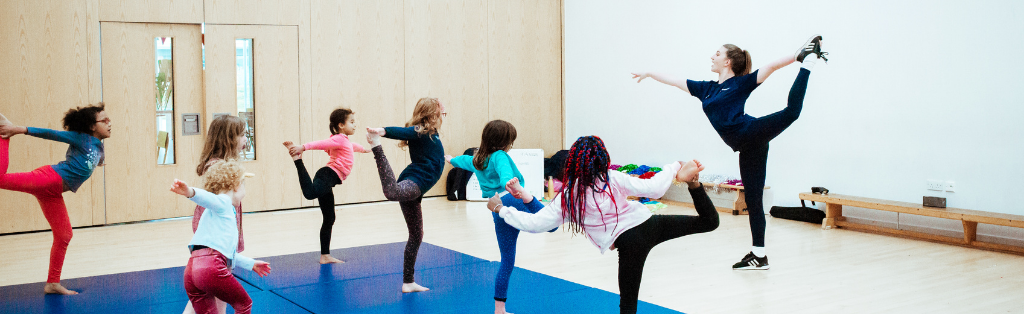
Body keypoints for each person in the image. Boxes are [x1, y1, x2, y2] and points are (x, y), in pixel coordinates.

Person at [631, 35, 827, 269]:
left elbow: (771, 67)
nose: (712, 56)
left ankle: (809, 61)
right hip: (747, 145)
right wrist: (650, 73)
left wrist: (798, 56)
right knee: (753, 200)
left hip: (751, 131)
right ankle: (759, 255)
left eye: (717, 53)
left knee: (791, 112)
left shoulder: (740, 83)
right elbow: (675, 81)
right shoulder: (706, 89)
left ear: (727, 62)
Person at [488, 136, 719, 314]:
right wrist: (673, 169)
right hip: (649, 224)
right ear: (602, 158)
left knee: (627, 306)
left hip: (630, 243)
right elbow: (654, 189)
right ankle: (694, 185)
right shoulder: (612, 177)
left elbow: (536, 224)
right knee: (709, 222)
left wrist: (502, 209)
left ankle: (692, 182)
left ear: (573, 163)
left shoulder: (571, 195)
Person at [0, 104, 110, 295]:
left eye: (109, 120)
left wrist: (98, 161)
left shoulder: (98, 144)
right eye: (105, 120)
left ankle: (52, 283)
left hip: (52, 192)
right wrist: (17, 130)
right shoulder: (81, 138)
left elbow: (96, 158)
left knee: (64, 235)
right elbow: (51, 134)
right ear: (92, 126)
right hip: (48, 179)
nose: (110, 123)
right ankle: (4, 134)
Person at [365, 97, 446, 293]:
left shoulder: (432, 134)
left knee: (417, 235)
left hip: (416, 188)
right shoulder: (421, 130)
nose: (443, 116)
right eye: (441, 113)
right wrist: (383, 132)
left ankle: (408, 282)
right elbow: (405, 131)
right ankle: (376, 147)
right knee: (392, 192)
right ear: (432, 114)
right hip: (414, 182)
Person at [170, 160, 271, 314]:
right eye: (244, 185)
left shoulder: (213, 215)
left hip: (191, 272)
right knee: (244, 304)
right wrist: (190, 192)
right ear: (237, 186)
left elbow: (224, 252)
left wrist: (250, 264)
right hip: (210, 269)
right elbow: (208, 198)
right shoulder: (224, 203)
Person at [283, 108, 368, 264]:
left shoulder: (344, 141)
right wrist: (303, 147)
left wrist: (365, 149)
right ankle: (297, 160)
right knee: (309, 194)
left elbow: (353, 146)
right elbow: (322, 143)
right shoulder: (339, 139)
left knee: (329, 217)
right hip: (327, 174)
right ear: (341, 125)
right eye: (352, 122)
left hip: (329, 179)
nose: (355, 125)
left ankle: (325, 255)